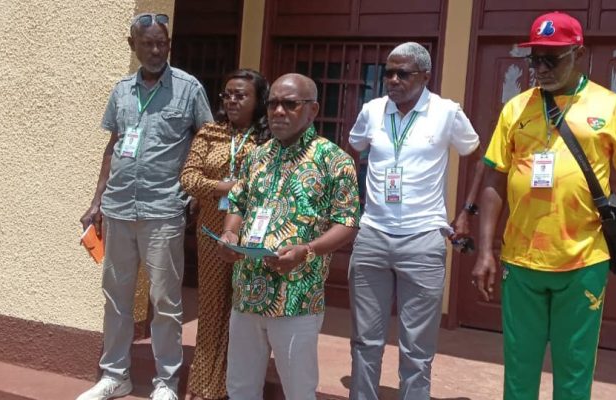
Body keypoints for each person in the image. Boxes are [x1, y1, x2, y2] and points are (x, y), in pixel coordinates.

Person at [471, 12, 616, 400]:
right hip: (521, 263)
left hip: (583, 263)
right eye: (534, 59)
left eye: (551, 59)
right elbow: (494, 179)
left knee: (574, 373)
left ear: (579, 54)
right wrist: (486, 250)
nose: (540, 69)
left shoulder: (611, 108)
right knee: (519, 371)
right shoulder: (515, 109)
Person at [77, 12, 213, 400]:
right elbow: (114, 145)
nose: (156, 50)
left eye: (162, 44)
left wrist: (194, 192)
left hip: (163, 210)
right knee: (116, 298)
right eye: (148, 44)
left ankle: (166, 381)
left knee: (165, 301)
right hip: (118, 209)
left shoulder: (188, 88)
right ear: (132, 46)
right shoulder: (121, 90)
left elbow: (207, 141)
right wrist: (97, 201)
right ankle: (115, 375)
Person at [347, 42, 481, 400]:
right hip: (373, 235)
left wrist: (467, 211)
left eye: (402, 73)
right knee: (364, 340)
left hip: (423, 240)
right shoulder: (373, 110)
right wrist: (350, 202)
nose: (392, 80)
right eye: (388, 72)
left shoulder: (447, 112)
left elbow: (477, 155)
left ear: (425, 76)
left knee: (417, 347)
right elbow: (354, 148)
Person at [218, 73, 361, 400]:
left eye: (290, 104)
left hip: (296, 296)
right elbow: (237, 202)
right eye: (273, 104)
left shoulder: (334, 160)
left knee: (298, 391)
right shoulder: (257, 156)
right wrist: (229, 233)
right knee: (240, 387)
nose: (279, 111)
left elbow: (348, 222)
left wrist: (307, 250)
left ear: (312, 110)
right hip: (247, 291)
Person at [179, 69, 270, 400]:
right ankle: (205, 384)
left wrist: (239, 190)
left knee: (244, 309)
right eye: (227, 94)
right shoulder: (210, 132)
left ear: (258, 100)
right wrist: (224, 187)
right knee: (212, 305)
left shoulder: (268, 138)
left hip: (254, 233)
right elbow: (189, 178)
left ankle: (238, 385)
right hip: (212, 233)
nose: (232, 100)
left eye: (241, 95)